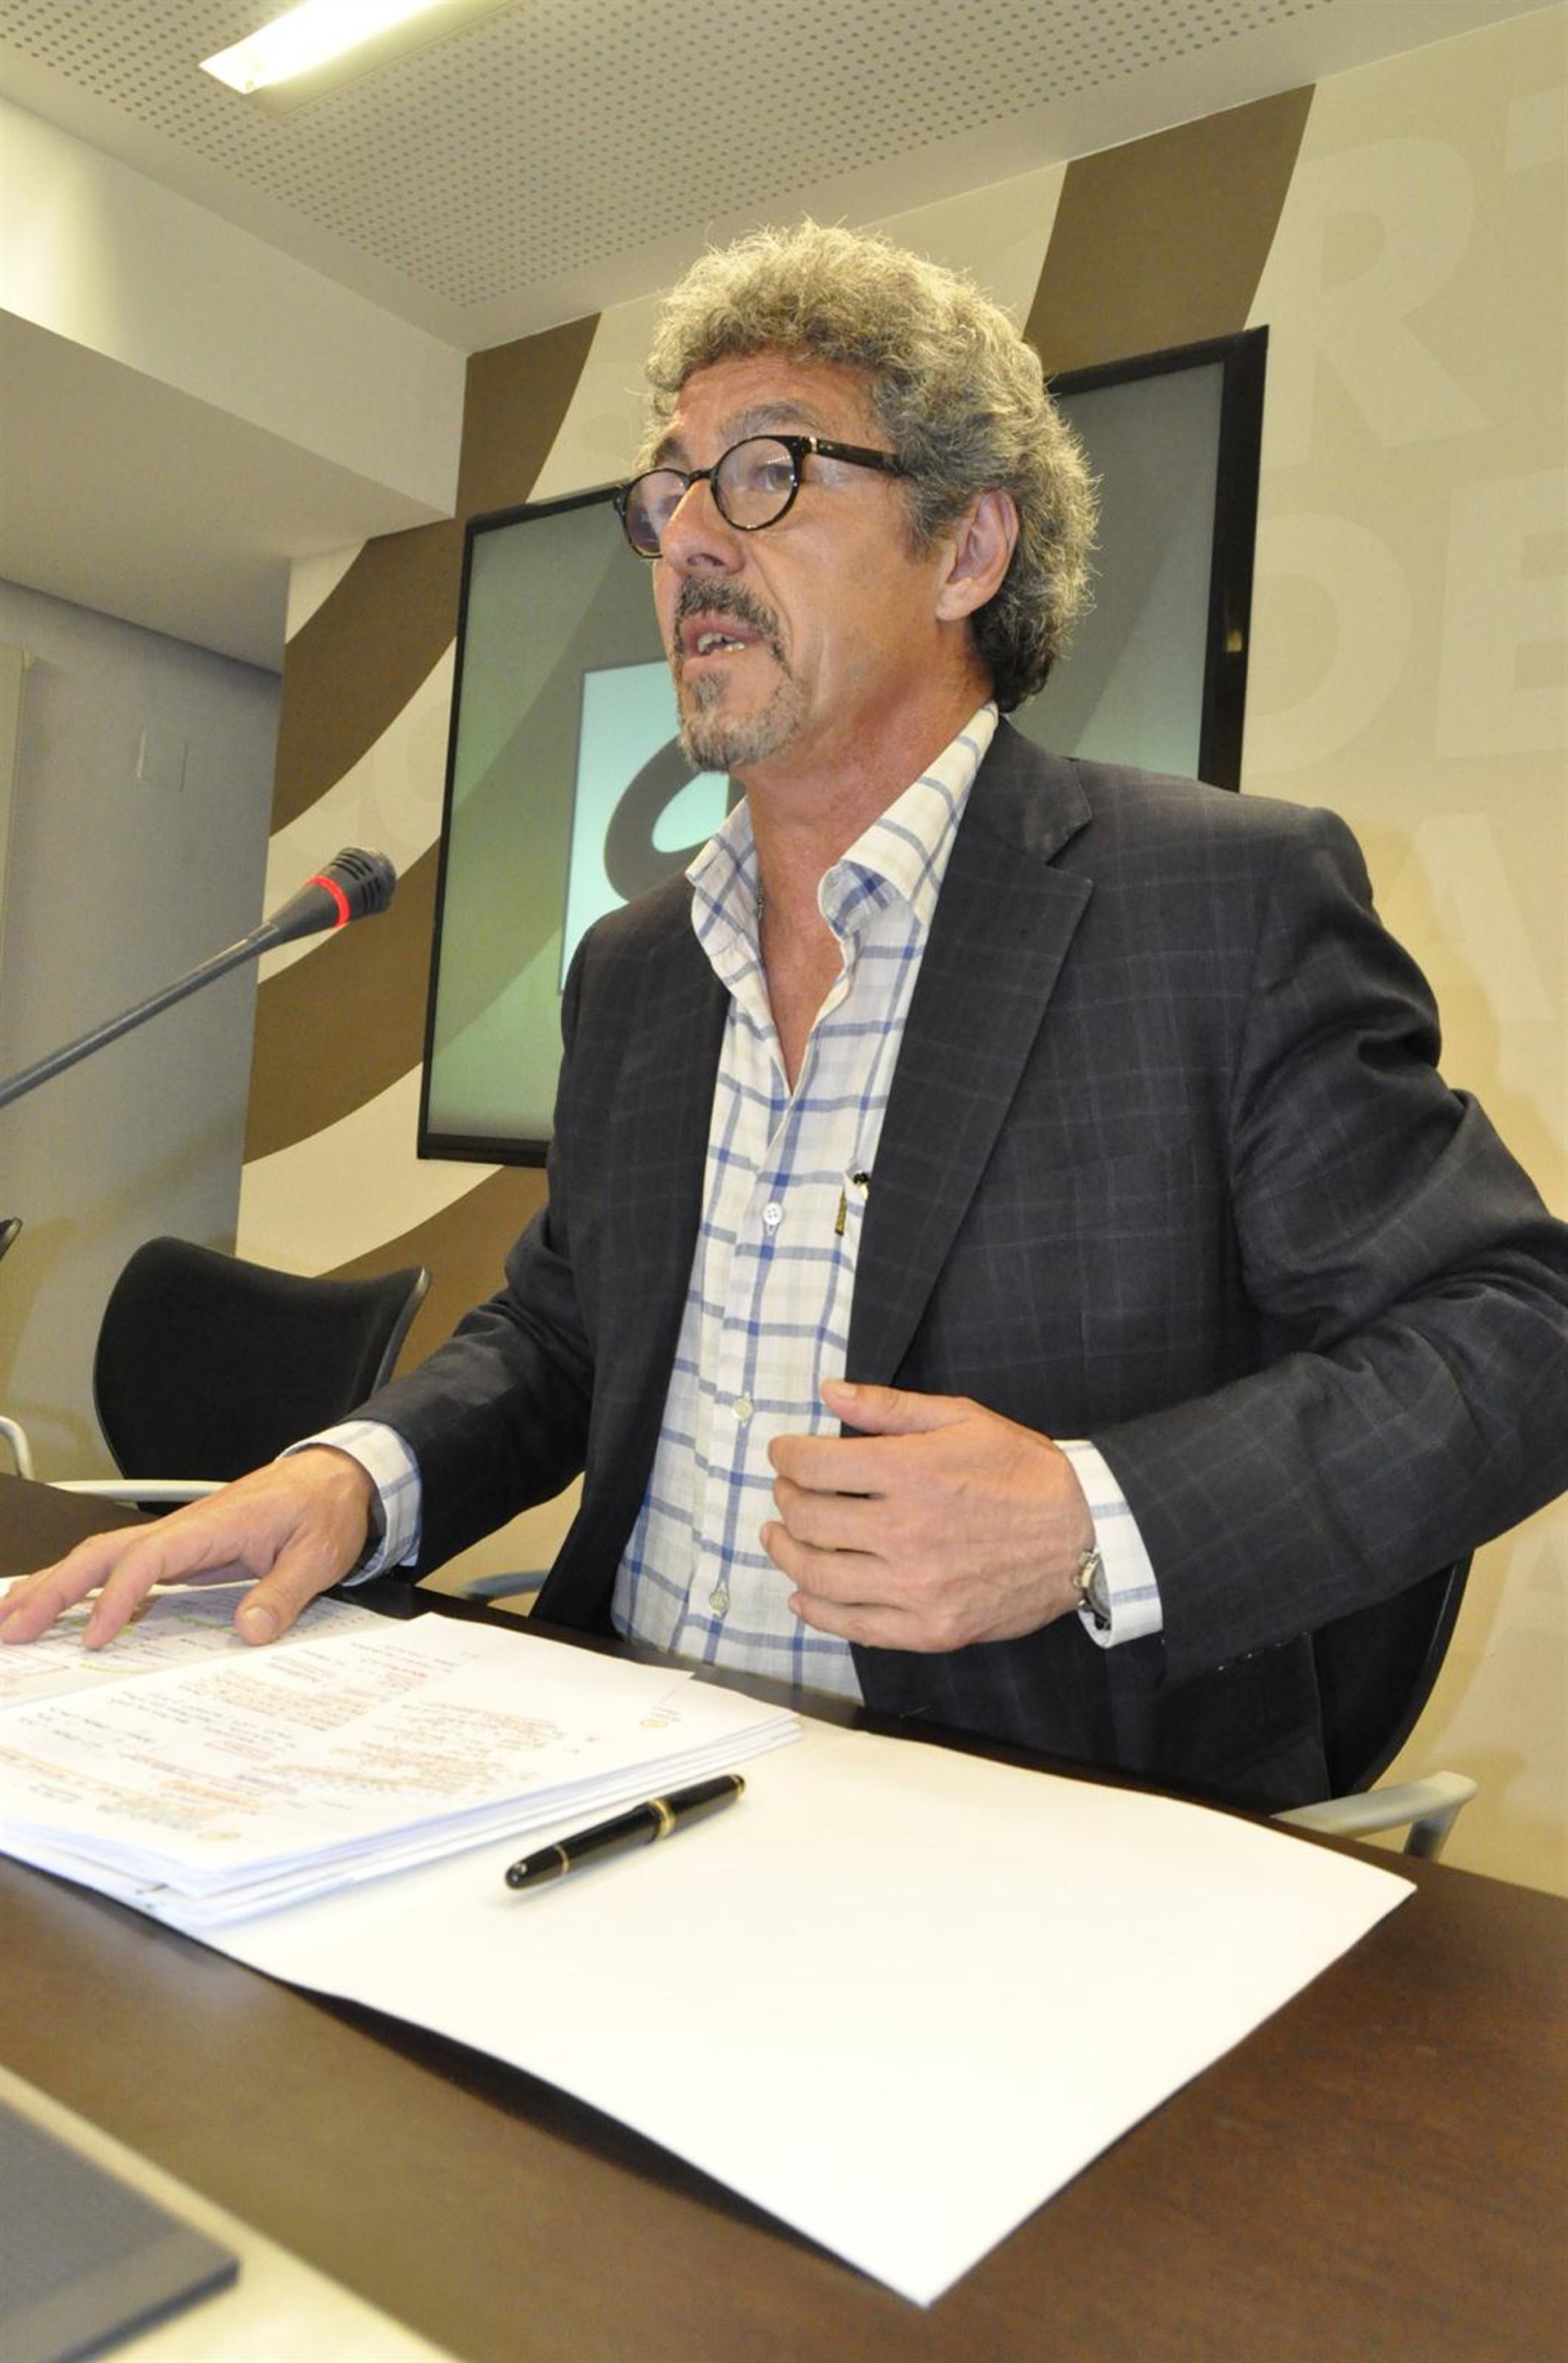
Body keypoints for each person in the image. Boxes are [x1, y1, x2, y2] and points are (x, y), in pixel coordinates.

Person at [4, 223, 1566, 1808]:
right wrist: (350, 1477)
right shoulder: (636, 967)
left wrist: (1088, 1522)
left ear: (967, 551)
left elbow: (1516, 1330)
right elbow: (562, 1337)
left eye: (767, 471)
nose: (688, 538)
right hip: (602, 1778)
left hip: (1015, 1820)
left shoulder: (1218, 903)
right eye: (669, 492)